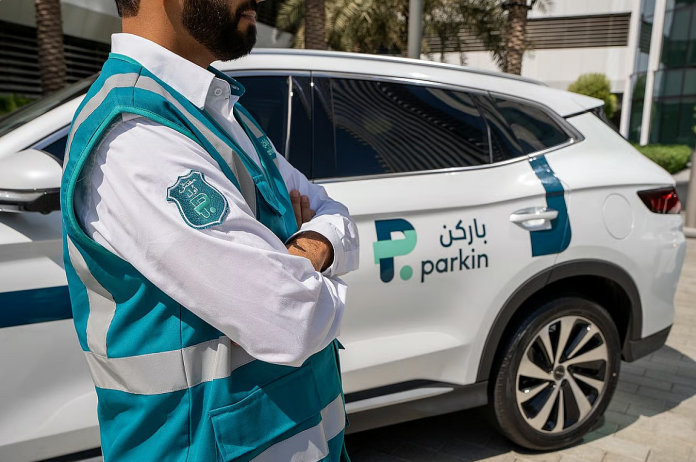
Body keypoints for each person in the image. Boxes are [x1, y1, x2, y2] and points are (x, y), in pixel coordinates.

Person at [60, 0, 360, 460]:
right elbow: (289, 320)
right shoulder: (135, 136)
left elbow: (332, 212)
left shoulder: (215, 109)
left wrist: (304, 253)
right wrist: (294, 273)